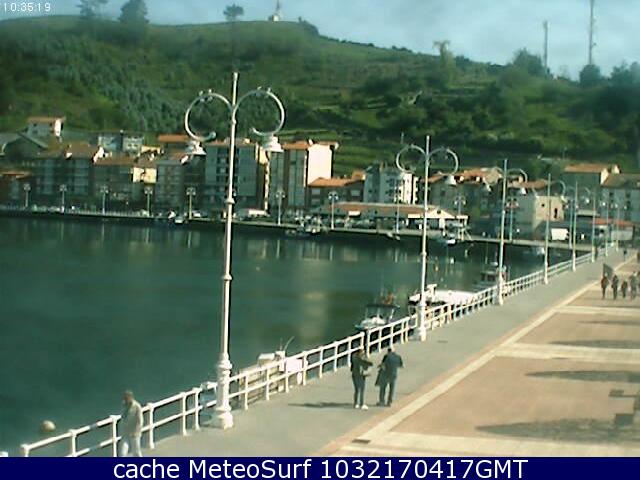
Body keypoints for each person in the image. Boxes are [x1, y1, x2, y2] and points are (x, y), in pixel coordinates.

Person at [119, 390, 144, 457]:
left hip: (134, 433)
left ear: (131, 398)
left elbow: (140, 420)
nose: (125, 400)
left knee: (136, 452)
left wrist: (137, 431)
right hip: (125, 432)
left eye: (127, 398)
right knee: (122, 453)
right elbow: (123, 417)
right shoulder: (124, 405)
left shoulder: (137, 406)